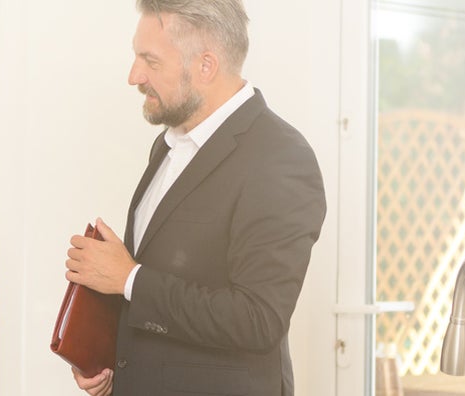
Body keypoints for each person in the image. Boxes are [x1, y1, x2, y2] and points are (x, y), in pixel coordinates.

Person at [64, 0, 326, 395]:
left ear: (206, 66)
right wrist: (107, 358)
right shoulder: (167, 145)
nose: (134, 75)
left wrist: (129, 278)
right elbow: (160, 292)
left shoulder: (281, 158)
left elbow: (258, 320)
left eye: (150, 61)